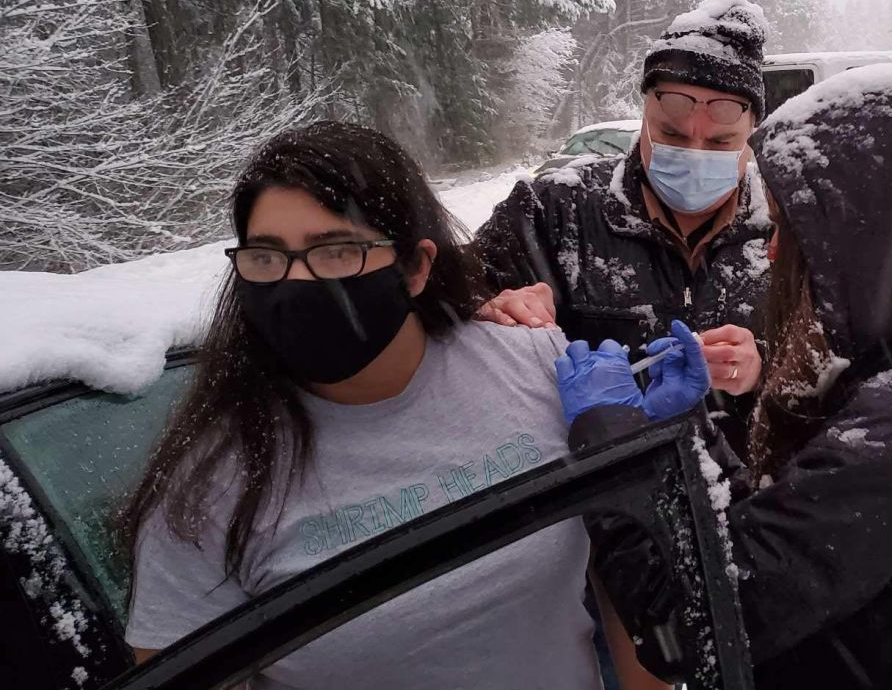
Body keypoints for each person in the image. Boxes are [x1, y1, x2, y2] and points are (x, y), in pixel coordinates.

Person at [557, 65, 892, 690]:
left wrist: (612, 450)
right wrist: (686, 433)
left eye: (788, 232)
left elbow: (694, 624)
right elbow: (784, 540)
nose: (771, 253)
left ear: (862, 238)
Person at [121, 121, 661, 690]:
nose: (296, 283)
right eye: (267, 258)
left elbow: (623, 575)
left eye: (336, 252)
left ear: (415, 267)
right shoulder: (210, 483)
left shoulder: (532, 367)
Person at [474, 0, 772, 449]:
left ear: (751, 130)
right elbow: (436, 304)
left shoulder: (784, 231)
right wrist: (488, 307)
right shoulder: (555, 210)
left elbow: (835, 369)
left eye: (719, 143)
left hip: (745, 501)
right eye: (672, 134)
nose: (694, 153)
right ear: (645, 115)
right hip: (598, 498)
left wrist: (762, 369)